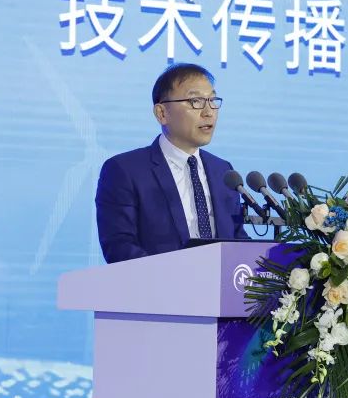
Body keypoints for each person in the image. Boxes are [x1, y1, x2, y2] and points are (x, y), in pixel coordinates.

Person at [96, 63, 248, 263]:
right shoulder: (125, 170)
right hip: (157, 282)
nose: (209, 112)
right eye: (195, 101)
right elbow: (119, 247)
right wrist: (175, 276)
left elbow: (237, 239)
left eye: (212, 100)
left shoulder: (223, 172)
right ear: (162, 113)